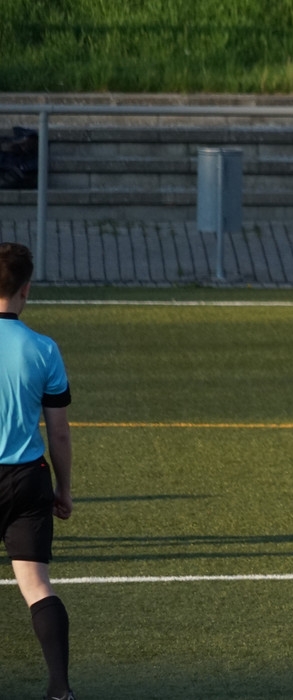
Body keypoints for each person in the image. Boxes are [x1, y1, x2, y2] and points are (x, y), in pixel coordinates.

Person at [0, 243, 75, 699]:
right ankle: (60, 690)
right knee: (36, 584)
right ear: (26, 289)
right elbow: (59, 434)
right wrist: (64, 489)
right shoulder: (44, 349)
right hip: (28, 479)